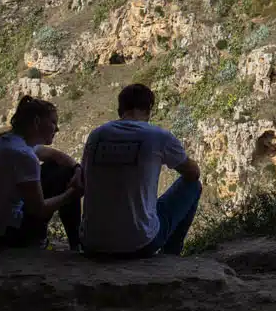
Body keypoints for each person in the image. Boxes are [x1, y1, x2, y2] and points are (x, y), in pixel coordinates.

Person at [80, 83, 203, 257]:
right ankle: (171, 256)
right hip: (140, 244)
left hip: (92, 244)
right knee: (193, 186)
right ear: (149, 109)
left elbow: (82, 180)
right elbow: (193, 174)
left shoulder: (96, 135)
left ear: (119, 109)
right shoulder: (158, 136)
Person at [0, 96, 84, 249]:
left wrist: (77, 168)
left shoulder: (8, 142)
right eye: (53, 122)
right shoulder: (23, 155)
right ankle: (75, 244)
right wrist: (72, 194)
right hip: (0, 238)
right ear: (36, 122)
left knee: (60, 168)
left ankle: (75, 243)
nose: (57, 128)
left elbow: (53, 155)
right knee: (63, 174)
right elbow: (39, 209)